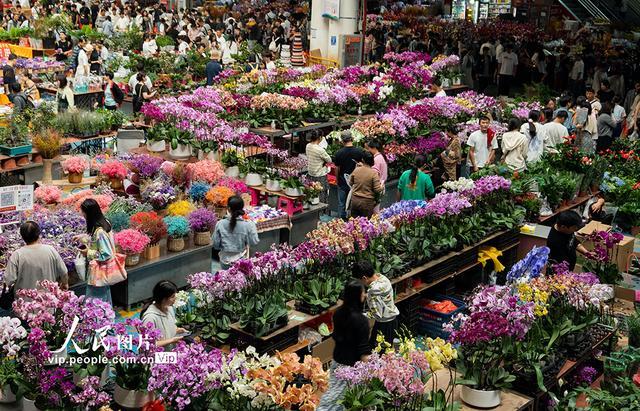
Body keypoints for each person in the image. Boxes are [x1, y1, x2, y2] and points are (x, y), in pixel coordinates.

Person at [317, 280, 370, 411]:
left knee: (332, 395)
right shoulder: (361, 321)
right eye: (363, 292)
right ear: (357, 296)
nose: (365, 295)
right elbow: (363, 350)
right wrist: (370, 371)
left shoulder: (338, 313)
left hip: (337, 361)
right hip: (351, 368)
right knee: (342, 400)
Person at [3, 221, 68, 293]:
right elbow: (63, 272)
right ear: (39, 234)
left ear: (22, 236)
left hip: (26, 301)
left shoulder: (17, 255)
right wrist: (65, 283)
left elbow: (8, 280)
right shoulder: (50, 250)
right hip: (49, 298)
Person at [80, 198, 117, 305]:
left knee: (95, 303)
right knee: (104, 299)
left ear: (89, 213)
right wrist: (83, 238)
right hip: (101, 273)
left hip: (98, 274)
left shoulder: (99, 231)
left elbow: (106, 254)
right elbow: (98, 242)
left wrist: (88, 252)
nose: (82, 214)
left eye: (83, 212)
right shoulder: (105, 222)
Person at [353, 260, 399, 346]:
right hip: (393, 320)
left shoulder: (372, 292)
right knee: (389, 348)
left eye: (359, 281)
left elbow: (377, 314)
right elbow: (382, 295)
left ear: (364, 278)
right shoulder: (382, 278)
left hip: (383, 324)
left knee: (377, 351)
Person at [213, 195, 259, 270]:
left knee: (226, 280)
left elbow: (215, 245)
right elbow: (254, 242)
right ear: (242, 208)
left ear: (228, 208)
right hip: (241, 260)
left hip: (224, 260)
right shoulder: (249, 224)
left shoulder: (220, 223)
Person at [141, 280, 188, 348]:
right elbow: (146, 345)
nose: (175, 298)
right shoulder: (150, 318)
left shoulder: (169, 308)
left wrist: (177, 330)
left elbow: (165, 330)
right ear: (163, 299)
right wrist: (171, 340)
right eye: (172, 296)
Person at [333, 131, 363, 220]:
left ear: (342, 140)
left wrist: (337, 179)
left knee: (341, 203)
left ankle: (341, 222)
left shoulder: (339, 153)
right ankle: (353, 222)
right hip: (356, 183)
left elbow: (337, 169)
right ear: (352, 138)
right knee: (354, 203)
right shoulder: (359, 152)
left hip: (342, 182)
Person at [349, 152, 383, 218]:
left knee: (354, 223)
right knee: (365, 225)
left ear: (363, 160)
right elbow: (377, 190)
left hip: (355, 200)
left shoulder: (356, 170)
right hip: (367, 203)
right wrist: (382, 186)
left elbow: (350, 183)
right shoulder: (373, 173)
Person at [305, 130, 332, 205]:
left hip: (310, 174)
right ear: (320, 138)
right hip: (320, 176)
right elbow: (329, 160)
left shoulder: (308, 146)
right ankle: (321, 213)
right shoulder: (320, 150)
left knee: (311, 194)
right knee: (320, 196)